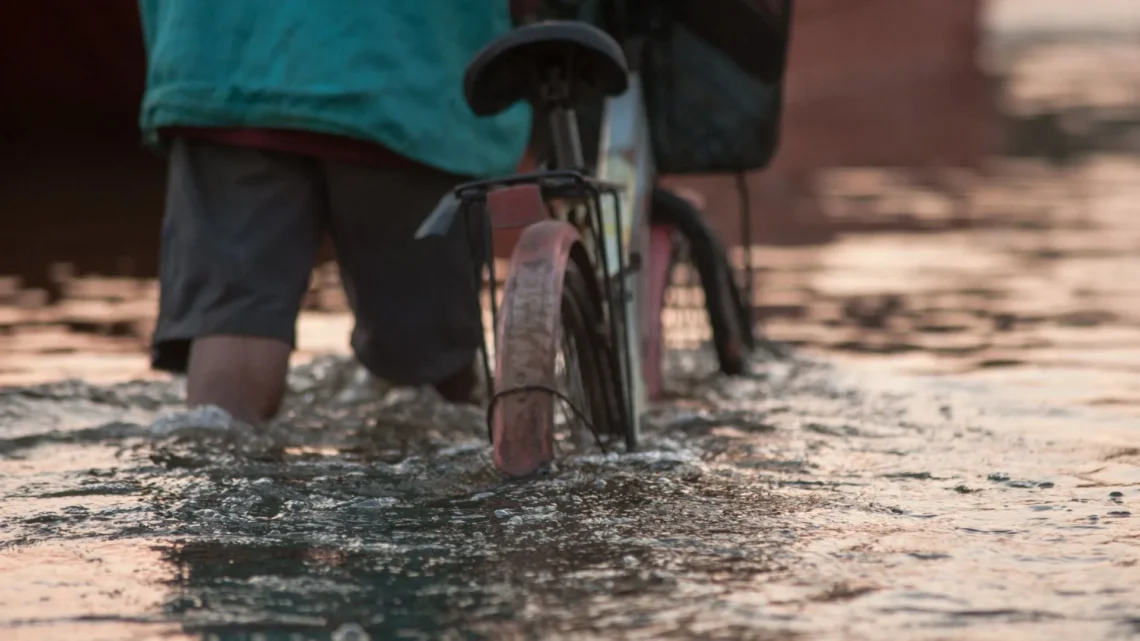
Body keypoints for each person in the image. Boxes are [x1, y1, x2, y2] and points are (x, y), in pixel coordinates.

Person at [138, 1, 530, 423]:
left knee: (233, 322)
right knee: (428, 368)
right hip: (405, 75)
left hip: (221, 63)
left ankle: (216, 452)